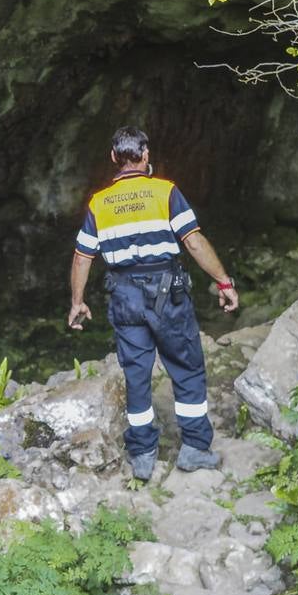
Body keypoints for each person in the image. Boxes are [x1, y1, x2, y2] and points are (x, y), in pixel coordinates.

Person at [67, 126, 240, 481]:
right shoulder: (166, 192)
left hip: (124, 297)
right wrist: (223, 282)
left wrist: (77, 301)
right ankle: (193, 448)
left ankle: (143, 455)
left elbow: (83, 256)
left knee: (136, 372)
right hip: (168, 294)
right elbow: (193, 243)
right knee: (186, 365)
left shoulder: (100, 203)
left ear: (114, 158)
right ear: (146, 156)